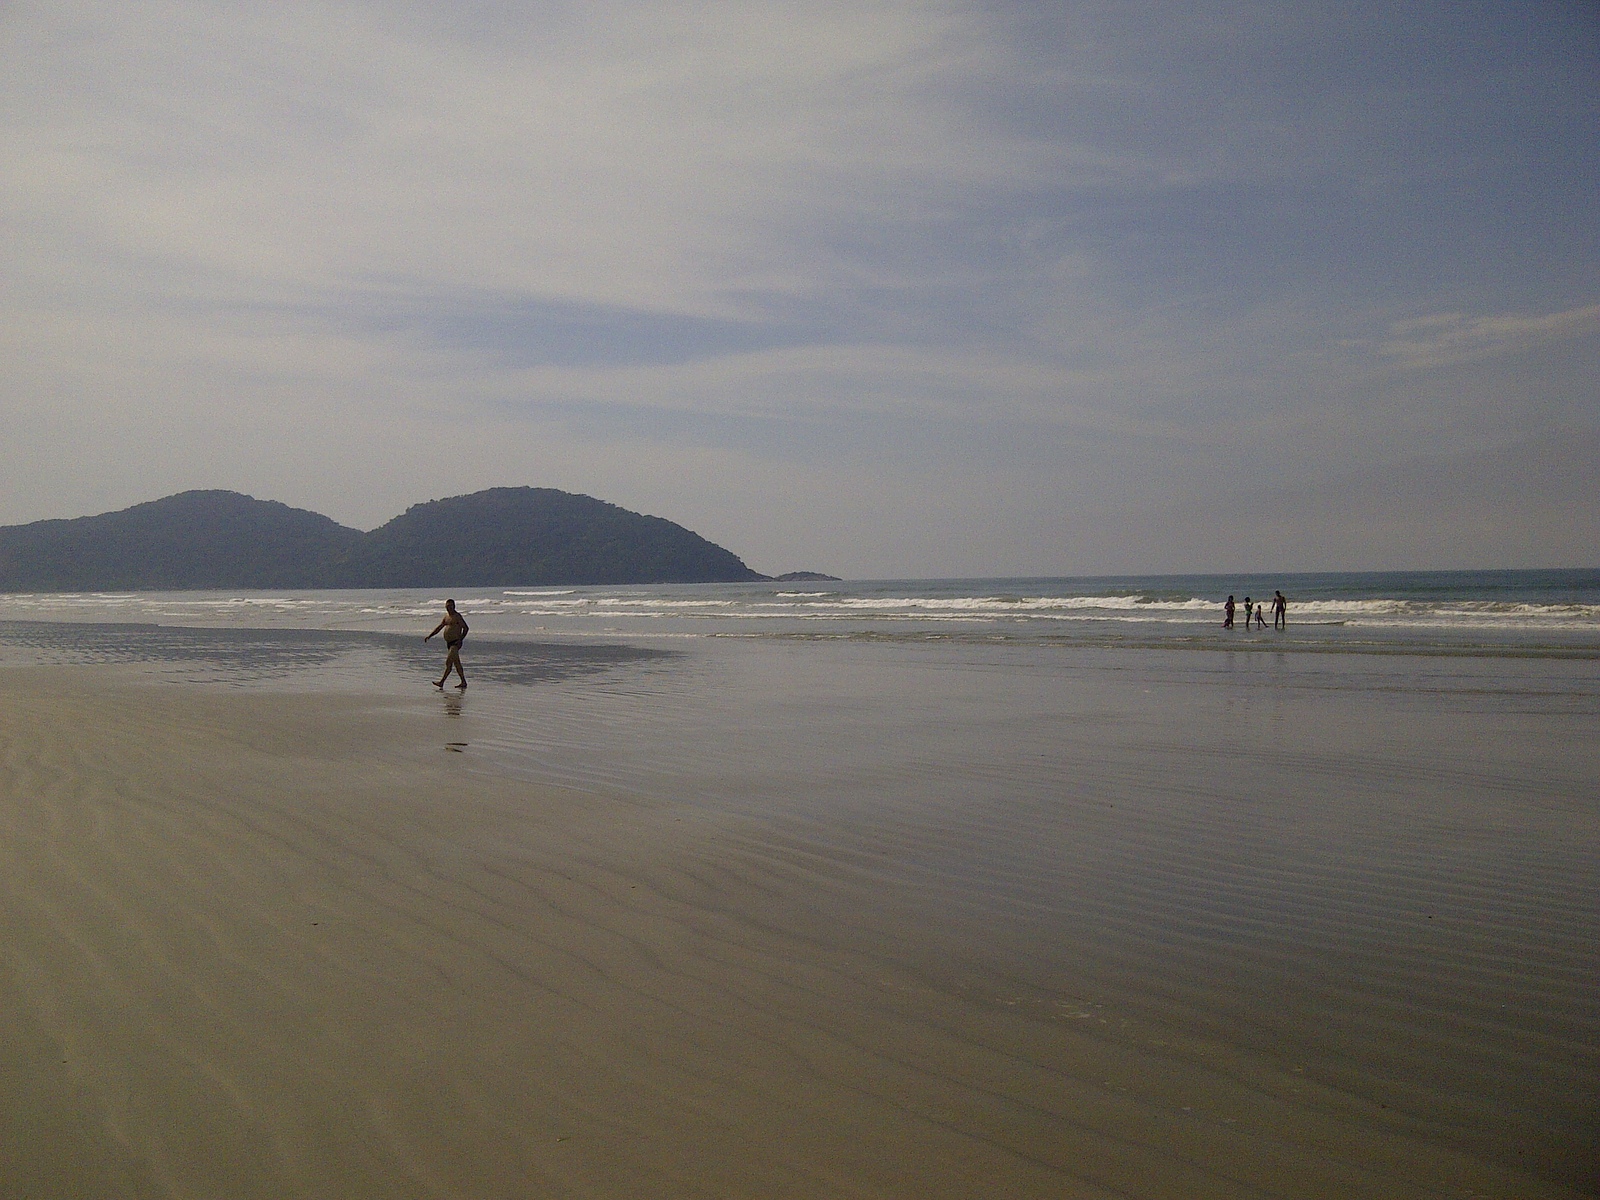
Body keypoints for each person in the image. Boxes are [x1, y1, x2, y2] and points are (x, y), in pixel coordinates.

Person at [425, 598, 469, 689]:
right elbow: (439, 627)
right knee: (457, 663)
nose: (448, 608)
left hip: (455, 643)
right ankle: (463, 682)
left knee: (448, 662)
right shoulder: (446, 617)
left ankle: (442, 682)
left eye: (450, 606)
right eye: (447, 606)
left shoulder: (457, 616)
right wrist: (430, 635)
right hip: (449, 643)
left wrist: (461, 639)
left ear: (454, 606)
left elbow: (466, 628)